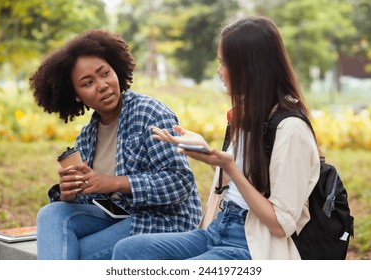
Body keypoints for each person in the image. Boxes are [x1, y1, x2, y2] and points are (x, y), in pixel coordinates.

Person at [111, 16, 321, 260]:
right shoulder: (252, 116)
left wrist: (229, 167)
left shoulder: (291, 129)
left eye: (224, 63)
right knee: (128, 250)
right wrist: (207, 153)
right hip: (218, 228)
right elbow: (243, 186)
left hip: (252, 246)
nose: (219, 70)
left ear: (249, 68)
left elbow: (280, 224)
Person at [29, 29, 202, 260]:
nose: (102, 85)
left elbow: (180, 182)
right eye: (88, 83)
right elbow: (96, 198)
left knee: (74, 255)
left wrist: (115, 183)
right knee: (52, 213)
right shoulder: (87, 136)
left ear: (116, 71)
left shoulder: (150, 113)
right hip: (118, 217)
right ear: (76, 94)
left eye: (105, 73)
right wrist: (69, 194)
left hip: (160, 221)